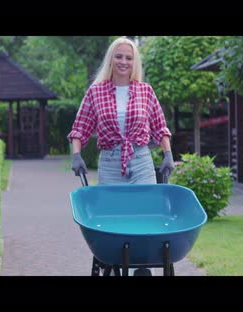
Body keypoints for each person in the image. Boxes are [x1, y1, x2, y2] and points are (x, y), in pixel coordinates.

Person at [67, 37, 174, 276]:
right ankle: (115, 263)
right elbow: (80, 127)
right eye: (119, 56)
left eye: (129, 57)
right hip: (111, 161)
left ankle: (142, 267)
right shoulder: (96, 92)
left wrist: (168, 154)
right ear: (111, 60)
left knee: (145, 214)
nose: (123, 62)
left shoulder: (145, 91)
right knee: (112, 218)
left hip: (141, 159)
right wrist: (76, 155)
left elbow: (159, 126)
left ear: (134, 62)